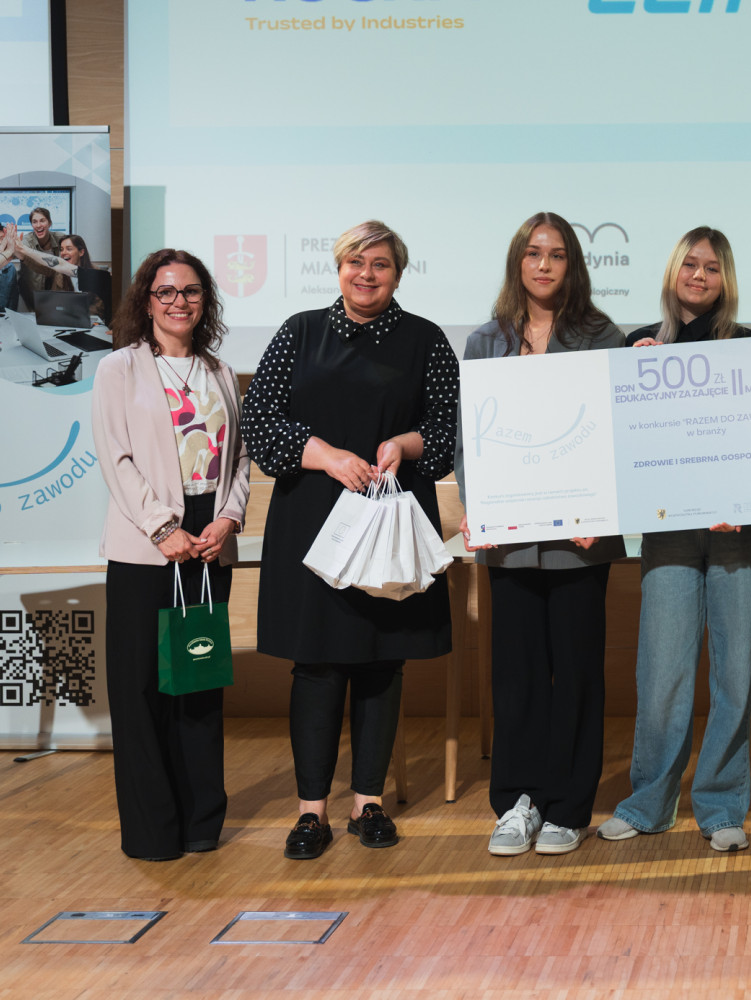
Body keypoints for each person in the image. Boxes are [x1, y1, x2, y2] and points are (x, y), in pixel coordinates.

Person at [241, 220, 458, 861]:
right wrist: (327, 455)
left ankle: (368, 803)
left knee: (380, 661)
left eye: (380, 264)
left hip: (390, 521)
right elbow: (261, 422)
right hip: (312, 520)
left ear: (398, 273)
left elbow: (445, 431)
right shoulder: (299, 331)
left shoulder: (426, 340)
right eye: (355, 262)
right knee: (316, 663)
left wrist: (403, 445)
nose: (367, 274)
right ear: (338, 268)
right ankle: (311, 813)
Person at [454, 212, 625, 857]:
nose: (544, 264)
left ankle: (569, 807)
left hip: (582, 543)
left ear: (572, 265)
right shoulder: (486, 341)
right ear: (517, 262)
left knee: (576, 673)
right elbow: (470, 440)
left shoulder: (601, 336)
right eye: (533, 253)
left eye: (556, 254)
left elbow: (617, 434)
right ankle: (517, 803)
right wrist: (477, 505)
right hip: (510, 542)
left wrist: (602, 510)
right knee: (517, 676)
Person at [597, 226, 751, 852]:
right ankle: (649, 803)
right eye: (690, 264)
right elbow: (620, 439)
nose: (699, 276)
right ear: (673, 271)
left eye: (712, 268)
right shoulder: (637, 344)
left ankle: (721, 806)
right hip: (668, 530)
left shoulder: (745, 346)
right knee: (662, 672)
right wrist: (632, 376)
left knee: (734, 673)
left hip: (736, 531)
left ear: (726, 280)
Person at [90, 248, 250, 861]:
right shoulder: (119, 369)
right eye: (166, 291)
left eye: (190, 291)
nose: (178, 301)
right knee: (142, 692)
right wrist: (163, 528)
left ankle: (202, 822)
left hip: (208, 544)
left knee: (198, 684)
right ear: (146, 300)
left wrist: (229, 517)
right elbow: (116, 458)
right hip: (145, 547)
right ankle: (154, 831)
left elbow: (239, 460)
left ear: (205, 301)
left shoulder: (219, 370)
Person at [15, 206, 63, 309]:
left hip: (55, 295)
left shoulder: (61, 238)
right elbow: (37, 265)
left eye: (42, 221)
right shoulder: (26, 241)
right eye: (34, 222)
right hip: (30, 296)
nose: (38, 225)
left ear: (49, 223)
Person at [58, 233, 114, 320]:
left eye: (69, 249)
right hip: (65, 320)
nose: (63, 253)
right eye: (61, 249)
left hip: (89, 320)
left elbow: (99, 307)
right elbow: (56, 302)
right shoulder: (59, 275)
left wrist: (79, 316)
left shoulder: (96, 274)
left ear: (81, 252)